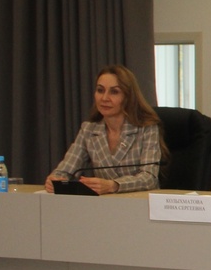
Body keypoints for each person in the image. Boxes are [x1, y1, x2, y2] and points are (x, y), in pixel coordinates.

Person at [45, 65, 167, 194]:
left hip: (139, 202)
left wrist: (113, 185)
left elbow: (149, 178)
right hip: (105, 203)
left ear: (128, 97)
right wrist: (56, 179)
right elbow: (66, 169)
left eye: (114, 92)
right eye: (100, 90)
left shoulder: (146, 129)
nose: (104, 98)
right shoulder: (89, 130)